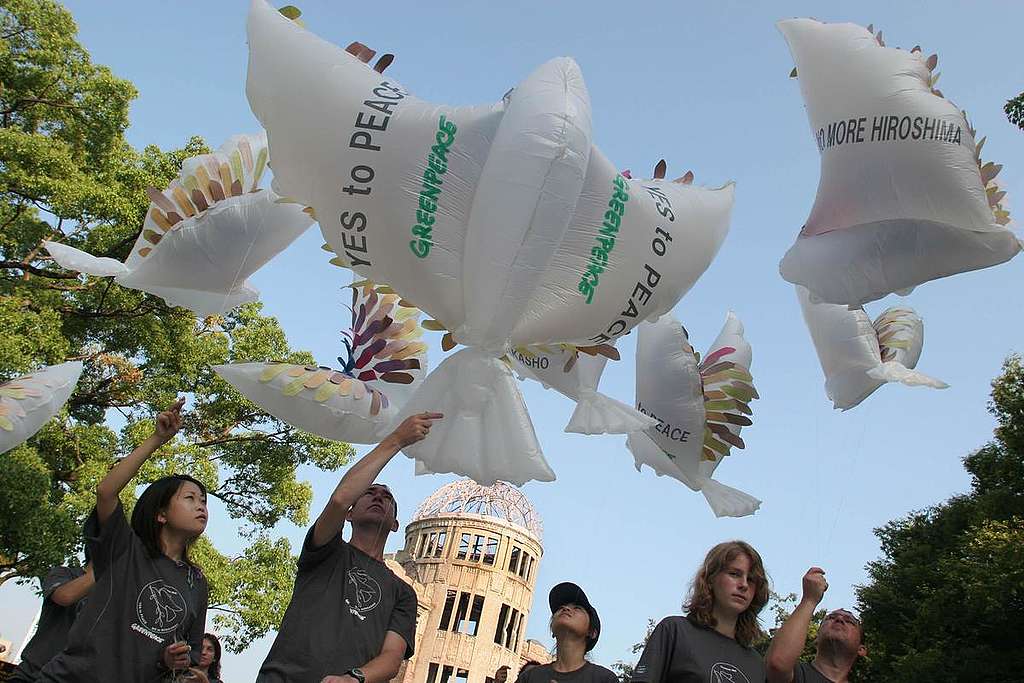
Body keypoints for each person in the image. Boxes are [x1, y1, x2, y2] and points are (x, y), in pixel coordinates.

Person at [257, 412, 442, 683]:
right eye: (369, 492)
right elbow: (340, 499)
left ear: (394, 524)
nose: (379, 496)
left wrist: (354, 678)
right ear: (349, 515)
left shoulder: (403, 593)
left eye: (387, 497)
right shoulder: (326, 552)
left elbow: (392, 658)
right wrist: (396, 440)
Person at [38, 398, 210, 682]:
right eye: (190, 498)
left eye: (203, 501)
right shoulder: (125, 549)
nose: (201, 506)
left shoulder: (196, 582)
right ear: (161, 514)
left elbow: (188, 655)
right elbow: (106, 491)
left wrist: (171, 660)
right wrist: (158, 438)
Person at [631, 541, 768, 683]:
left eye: (751, 579)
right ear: (710, 578)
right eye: (734, 574)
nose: (744, 585)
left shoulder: (756, 664)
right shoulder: (675, 631)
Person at [765, 567, 867, 683]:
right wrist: (810, 599)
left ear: (861, 649)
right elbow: (777, 664)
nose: (839, 619)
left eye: (849, 621)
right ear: (816, 639)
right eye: (831, 618)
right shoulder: (796, 675)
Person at [9, 557, 95, 682]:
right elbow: (65, 596)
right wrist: (101, 570)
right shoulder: (64, 573)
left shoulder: (112, 593)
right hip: (32, 676)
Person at [516, 582, 617, 683]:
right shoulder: (529, 678)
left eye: (577, 608)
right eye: (560, 608)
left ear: (591, 632)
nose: (565, 608)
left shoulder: (604, 679)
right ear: (552, 630)